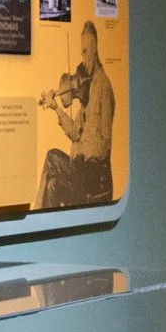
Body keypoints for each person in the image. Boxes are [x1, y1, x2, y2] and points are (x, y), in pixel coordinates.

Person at [36, 22, 116, 207]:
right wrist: (55, 107)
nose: (83, 56)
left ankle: (35, 214)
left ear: (95, 47)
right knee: (52, 182)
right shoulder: (87, 94)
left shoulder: (102, 86)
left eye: (86, 51)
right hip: (82, 169)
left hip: (93, 174)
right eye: (82, 52)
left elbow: (105, 142)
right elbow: (74, 131)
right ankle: (43, 221)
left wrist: (82, 152)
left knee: (52, 163)